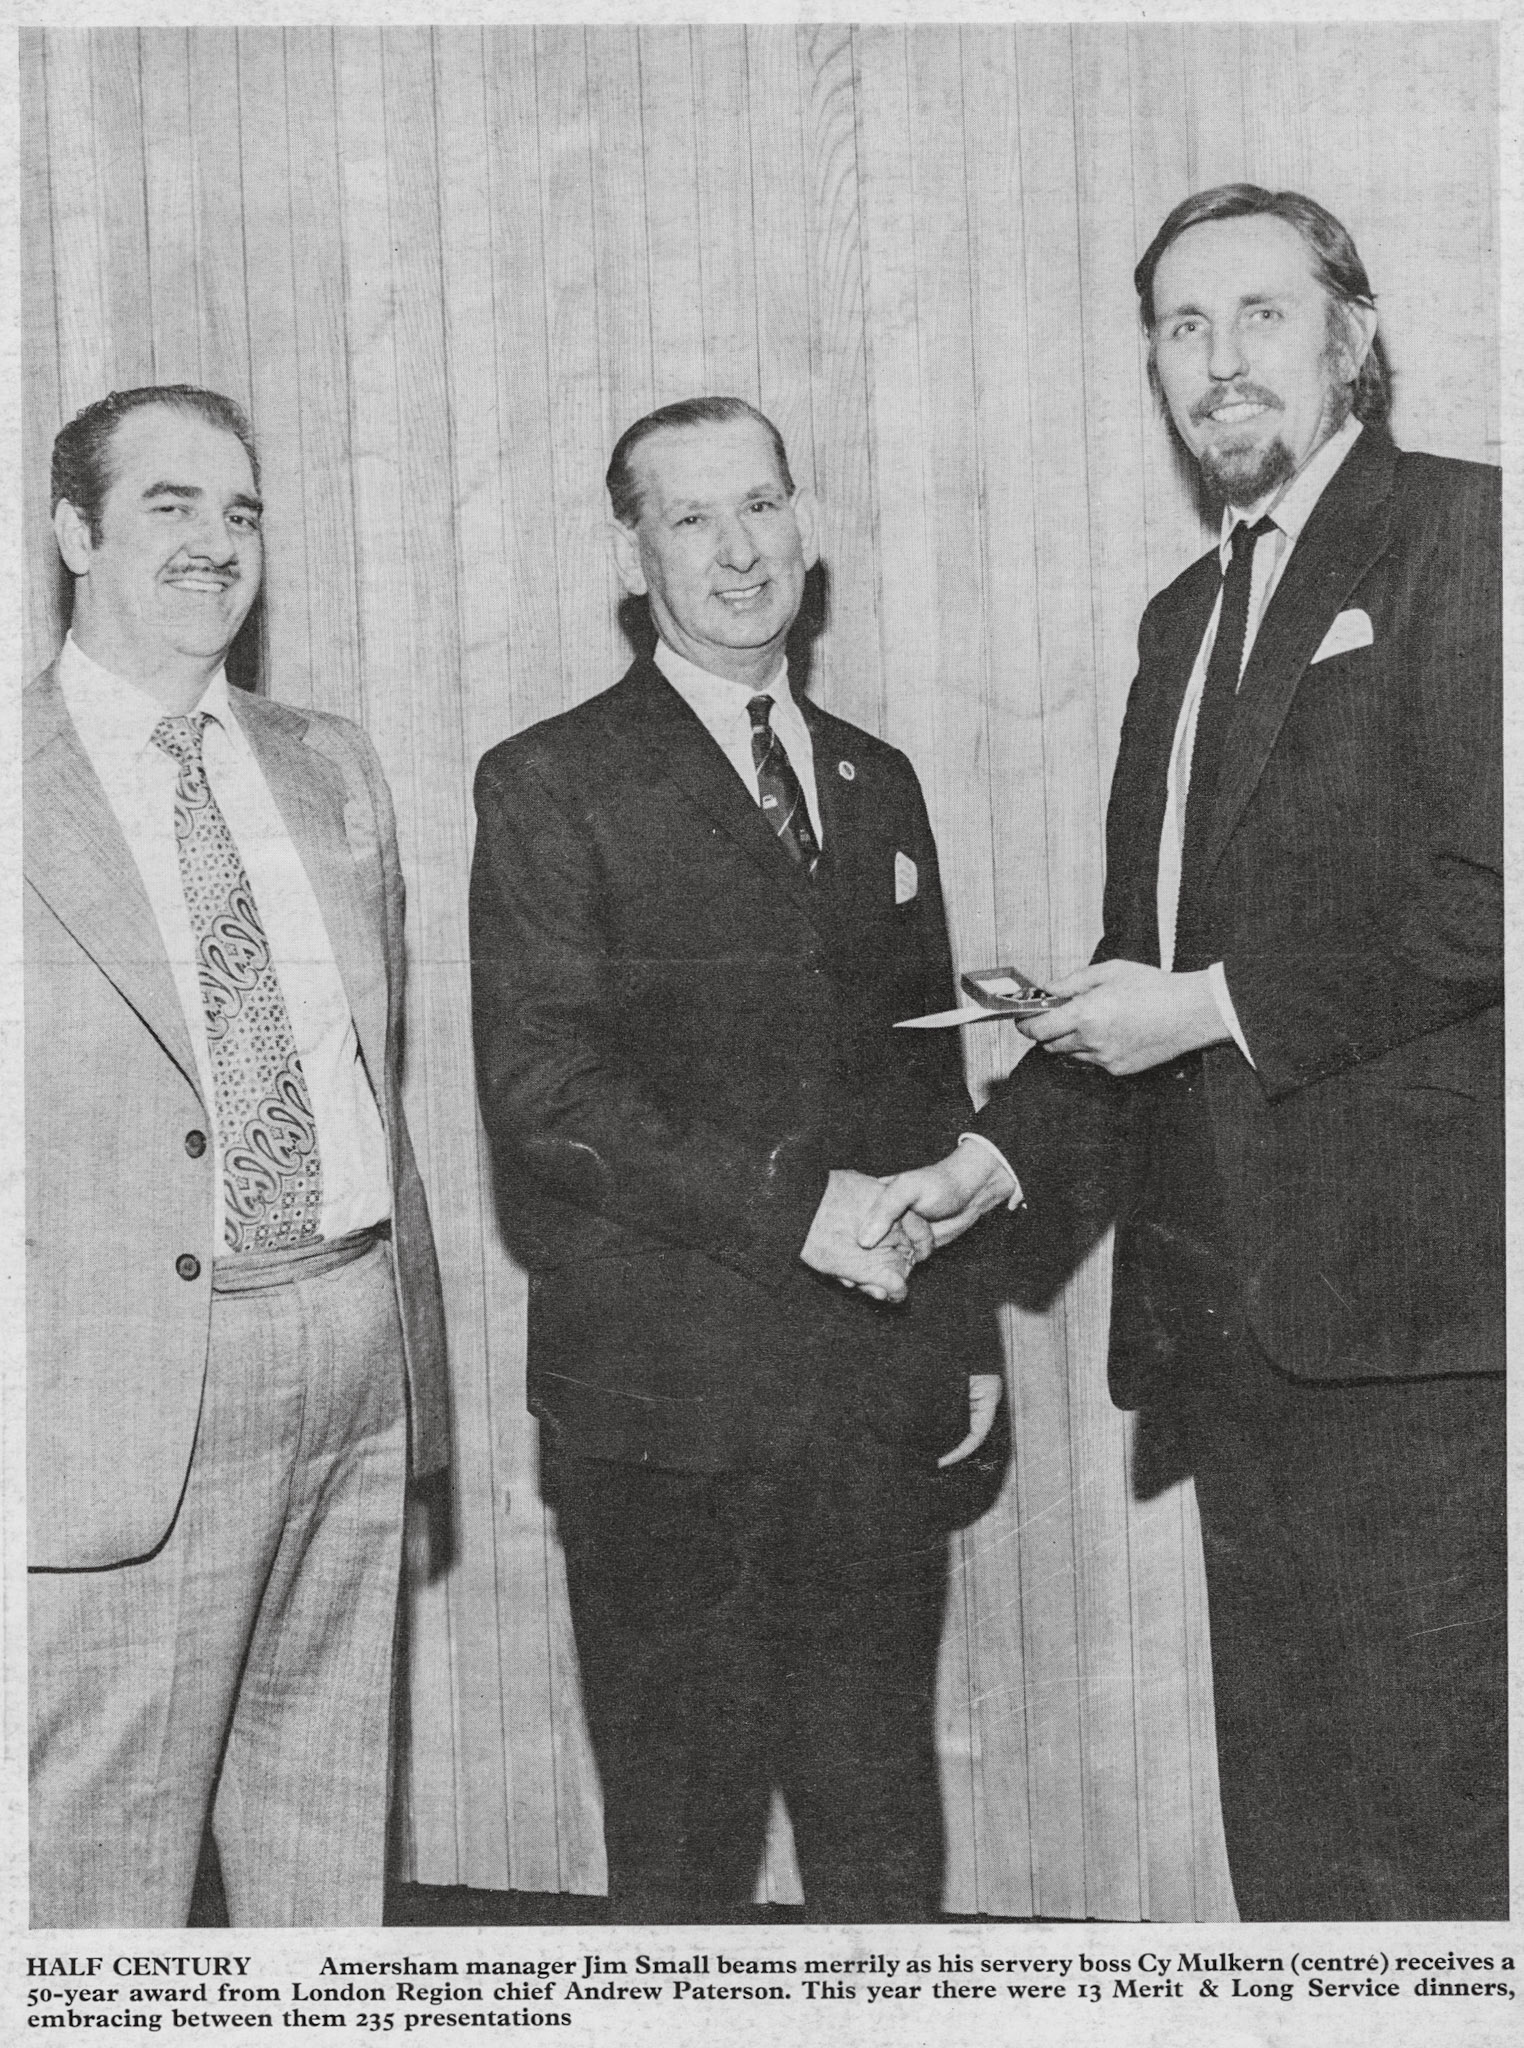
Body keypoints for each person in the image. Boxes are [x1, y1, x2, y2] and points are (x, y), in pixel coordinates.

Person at [859, 186, 1503, 1921]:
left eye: (1260, 316)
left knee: (1444, 1848)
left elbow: (1491, 894)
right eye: (1182, 328)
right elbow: (1136, 984)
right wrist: (988, 1163)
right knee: (1288, 1841)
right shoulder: (1179, 622)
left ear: (1353, 340)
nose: (1220, 362)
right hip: (1230, 1336)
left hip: (1425, 1345)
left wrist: (1208, 1004)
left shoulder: (1469, 537)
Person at [469, 396, 1001, 1923]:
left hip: (871, 1408)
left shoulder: (877, 780)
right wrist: (798, 1212)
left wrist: (964, 1339)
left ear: (805, 525)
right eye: (690, 517)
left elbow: (924, 1081)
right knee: (683, 1869)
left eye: (761, 504)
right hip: (666, 1423)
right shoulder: (550, 780)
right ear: (629, 557)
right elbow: (545, 1089)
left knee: (882, 1850)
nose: (738, 549)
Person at [26, 385, 450, 1927]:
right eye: (170, 504)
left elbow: (376, 1073)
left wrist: (399, 1353)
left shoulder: (332, 765)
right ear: (74, 532)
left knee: (323, 1864)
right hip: (127, 1399)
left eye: (241, 511)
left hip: (352, 1351)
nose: (215, 542)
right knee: (101, 1878)